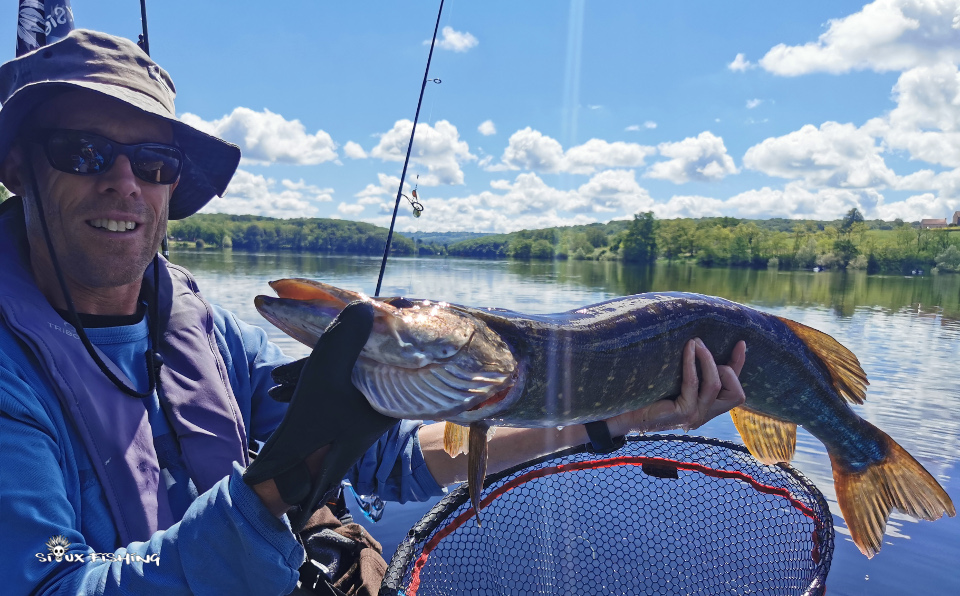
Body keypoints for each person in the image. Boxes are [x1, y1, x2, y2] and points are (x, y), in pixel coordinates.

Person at [0, 30, 747, 595]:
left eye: (154, 163)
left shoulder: (207, 332)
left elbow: (395, 463)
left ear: (172, 188)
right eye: (85, 152)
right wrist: (278, 490)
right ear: (17, 169)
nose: (126, 185)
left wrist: (617, 420)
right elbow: (50, 582)